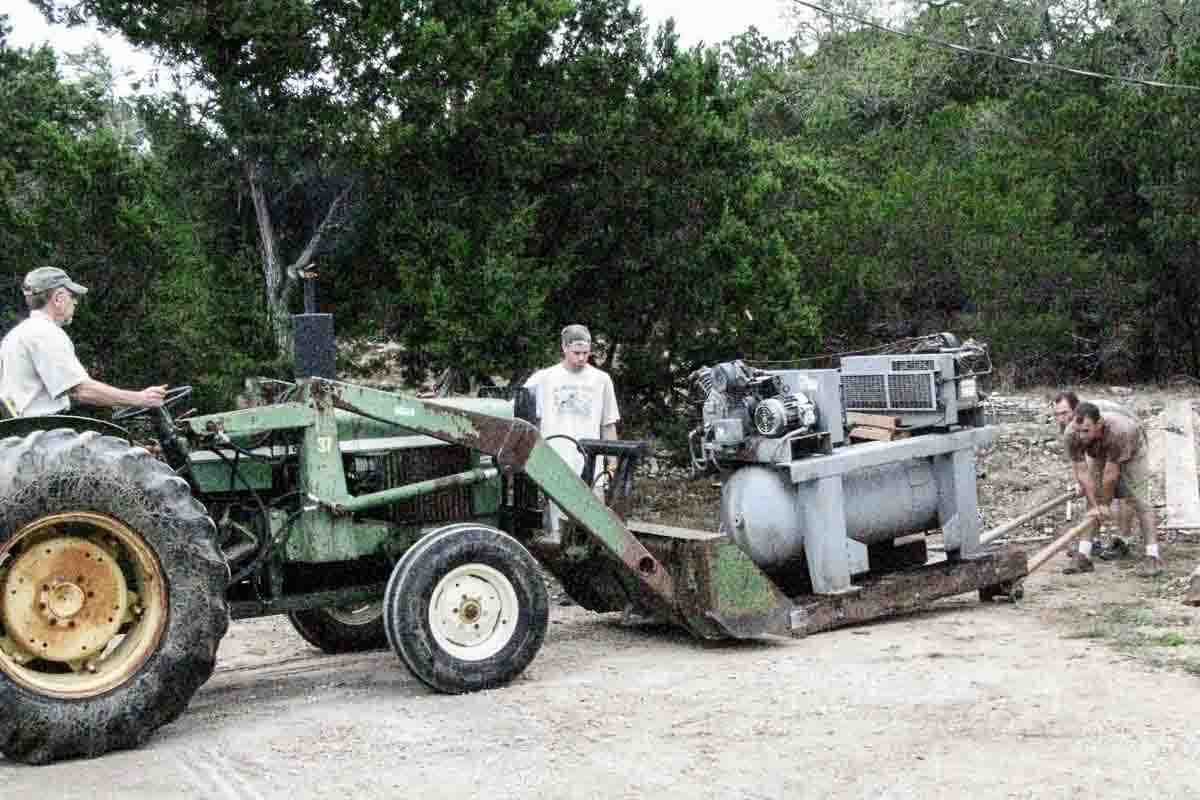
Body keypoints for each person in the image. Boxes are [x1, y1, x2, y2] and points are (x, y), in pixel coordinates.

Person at [0, 267, 167, 418]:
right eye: (72, 296)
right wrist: (140, 398)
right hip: (45, 430)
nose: (75, 302)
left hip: (21, 429)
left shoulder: (15, 335)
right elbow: (81, 390)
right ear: (58, 298)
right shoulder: (45, 333)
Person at [523, 324, 619, 537]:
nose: (582, 358)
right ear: (564, 348)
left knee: (597, 526)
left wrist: (612, 463)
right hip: (556, 461)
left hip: (592, 466)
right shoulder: (543, 379)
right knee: (559, 528)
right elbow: (524, 420)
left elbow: (608, 424)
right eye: (576, 353)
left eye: (586, 353)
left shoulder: (601, 380)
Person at [1062, 401, 1161, 577]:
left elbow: (1111, 475)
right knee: (1092, 500)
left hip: (1132, 449)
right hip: (1099, 450)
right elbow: (1082, 471)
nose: (1081, 436)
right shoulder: (1071, 434)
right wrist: (1095, 505)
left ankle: (1153, 556)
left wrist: (1104, 505)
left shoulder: (1119, 431)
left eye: (1086, 431)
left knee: (1139, 500)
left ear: (1099, 424)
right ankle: (1083, 555)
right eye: (1078, 430)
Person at [1052, 391, 1136, 559]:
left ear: (1076, 409)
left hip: (1126, 435)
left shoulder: (1095, 419)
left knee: (1125, 489)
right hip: (1100, 441)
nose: (1061, 418)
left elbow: (1107, 473)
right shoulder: (1070, 425)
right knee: (1094, 489)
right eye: (1057, 414)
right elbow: (1077, 458)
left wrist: (1103, 501)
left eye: (1064, 413)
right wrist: (1081, 483)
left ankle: (1123, 542)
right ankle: (1092, 542)